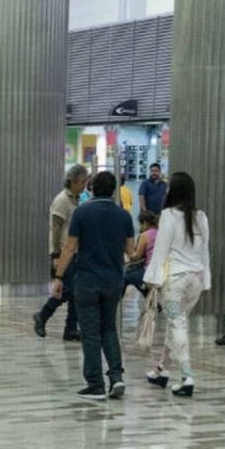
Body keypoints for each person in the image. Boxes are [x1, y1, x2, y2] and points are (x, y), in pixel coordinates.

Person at [52, 171, 135, 401]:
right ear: (113, 190)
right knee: (109, 329)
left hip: (87, 281)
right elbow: (131, 251)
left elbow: (69, 248)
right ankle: (116, 377)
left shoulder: (82, 213)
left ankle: (95, 384)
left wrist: (58, 277)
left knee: (90, 332)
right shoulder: (124, 216)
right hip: (113, 282)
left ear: (92, 188)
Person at [142, 172, 210, 397]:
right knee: (176, 323)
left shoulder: (168, 215)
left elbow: (160, 251)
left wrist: (152, 280)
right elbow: (205, 252)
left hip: (174, 284)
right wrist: (206, 278)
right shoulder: (201, 216)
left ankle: (187, 376)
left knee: (177, 324)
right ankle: (161, 371)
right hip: (196, 282)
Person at [34, 165, 89, 341]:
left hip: (76, 252)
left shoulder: (75, 199)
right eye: (82, 182)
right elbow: (56, 229)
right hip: (65, 253)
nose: (84, 185)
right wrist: (56, 255)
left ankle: (71, 328)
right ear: (73, 181)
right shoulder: (62, 200)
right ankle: (43, 315)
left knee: (76, 292)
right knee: (68, 291)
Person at [124, 211, 159, 296]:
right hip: (161, 270)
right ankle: (149, 296)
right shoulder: (161, 232)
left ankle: (116, 305)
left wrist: (128, 252)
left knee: (125, 278)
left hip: (149, 270)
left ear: (145, 223)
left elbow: (137, 257)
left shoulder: (145, 235)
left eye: (141, 224)